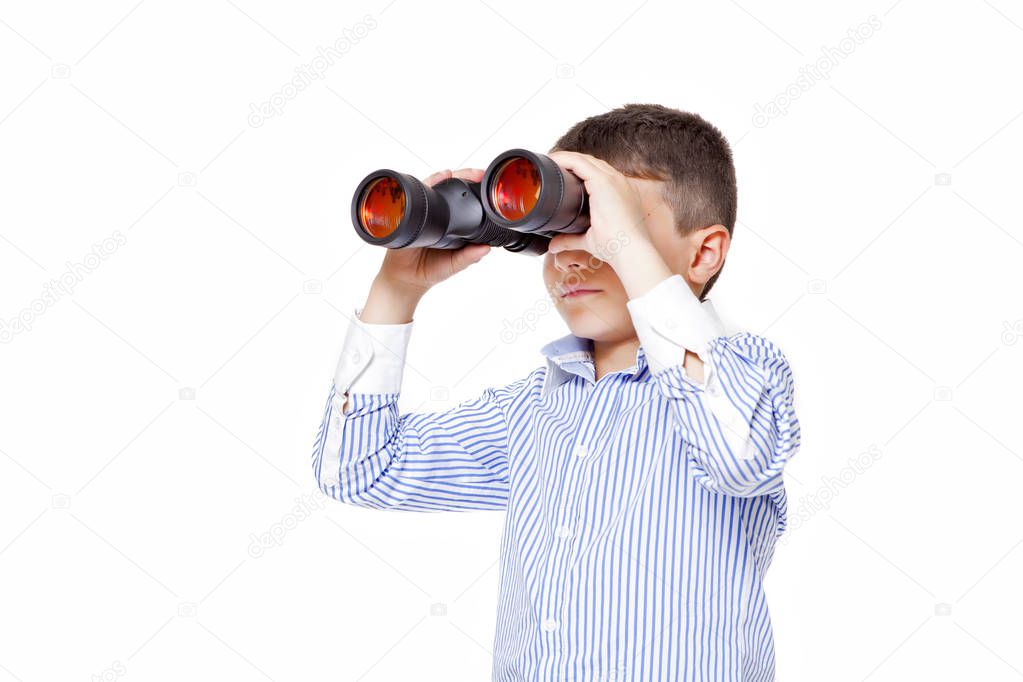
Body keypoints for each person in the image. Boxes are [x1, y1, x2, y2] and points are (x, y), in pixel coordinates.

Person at [311, 103, 802, 681]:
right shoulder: (530, 410)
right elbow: (358, 470)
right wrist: (396, 289)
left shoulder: (748, 375)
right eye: (558, 227)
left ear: (702, 253)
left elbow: (738, 458)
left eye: (607, 226)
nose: (570, 251)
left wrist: (629, 247)